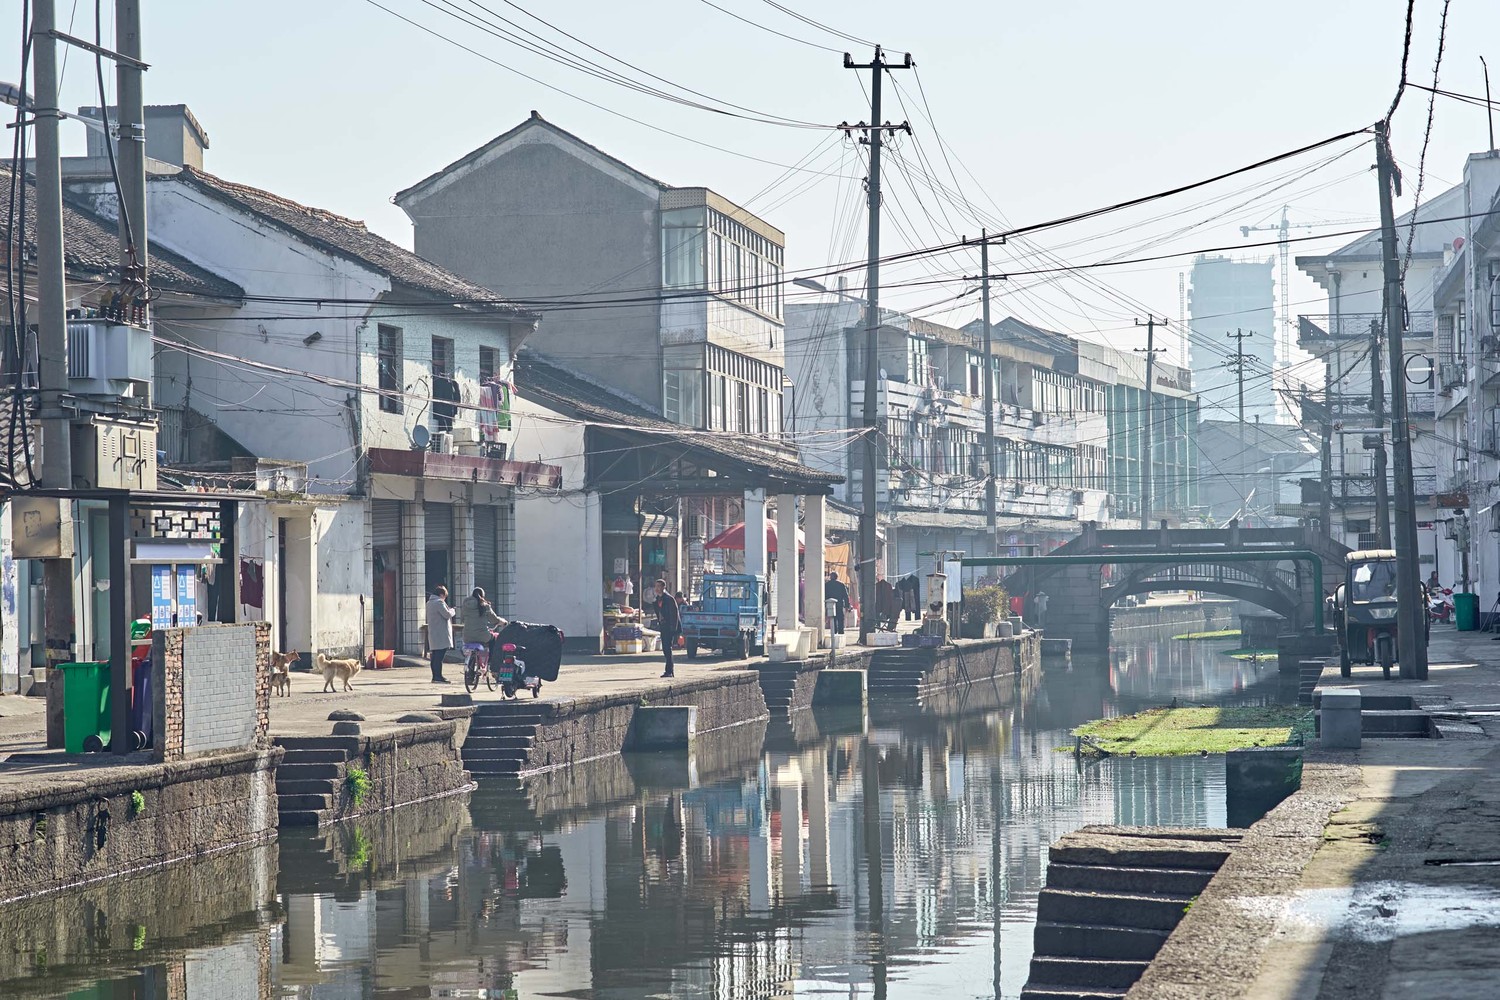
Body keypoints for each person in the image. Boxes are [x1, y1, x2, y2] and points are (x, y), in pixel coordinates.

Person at [461, 587, 507, 676]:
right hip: (482, 635)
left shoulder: (465, 605)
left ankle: (470, 676)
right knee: (494, 639)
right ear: (482, 596)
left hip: (467, 636)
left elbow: (462, 619)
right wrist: (503, 622)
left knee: (472, 651)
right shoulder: (485, 606)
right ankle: (493, 664)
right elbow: (494, 619)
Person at [426, 585, 457, 684]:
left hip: (434, 632)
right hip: (441, 633)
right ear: (441, 594)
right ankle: (438, 676)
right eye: (445, 596)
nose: (445, 598)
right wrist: (452, 611)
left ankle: (435, 676)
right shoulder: (439, 603)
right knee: (439, 656)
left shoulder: (429, 603)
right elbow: (447, 614)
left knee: (435, 655)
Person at [652, 579, 681, 678]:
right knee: (665, 648)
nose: (656, 588)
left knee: (667, 648)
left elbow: (674, 614)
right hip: (663, 626)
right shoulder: (658, 599)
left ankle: (669, 671)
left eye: (658, 586)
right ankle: (668, 670)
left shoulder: (669, 599)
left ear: (663, 587)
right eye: (655, 586)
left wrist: (673, 628)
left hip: (669, 627)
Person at [825, 570, 851, 637]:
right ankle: (841, 634)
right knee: (840, 619)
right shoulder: (841, 584)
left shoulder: (827, 585)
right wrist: (847, 605)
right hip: (839, 604)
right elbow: (846, 596)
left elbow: (824, 595)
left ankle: (834, 633)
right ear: (837, 577)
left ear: (830, 577)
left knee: (832, 619)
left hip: (830, 605)